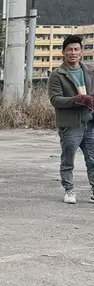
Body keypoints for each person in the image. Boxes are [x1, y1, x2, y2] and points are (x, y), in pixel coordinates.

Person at [48, 34, 94, 204]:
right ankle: (69, 190)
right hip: (70, 125)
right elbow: (55, 100)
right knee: (68, 160)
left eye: (76, 49)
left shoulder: (90, 71)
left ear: (81, 52)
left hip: (90, 123)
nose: (73, 53)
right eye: (69, 50)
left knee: (92, 160)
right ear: (63, 52)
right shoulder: (57, 75)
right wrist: (77, 100)